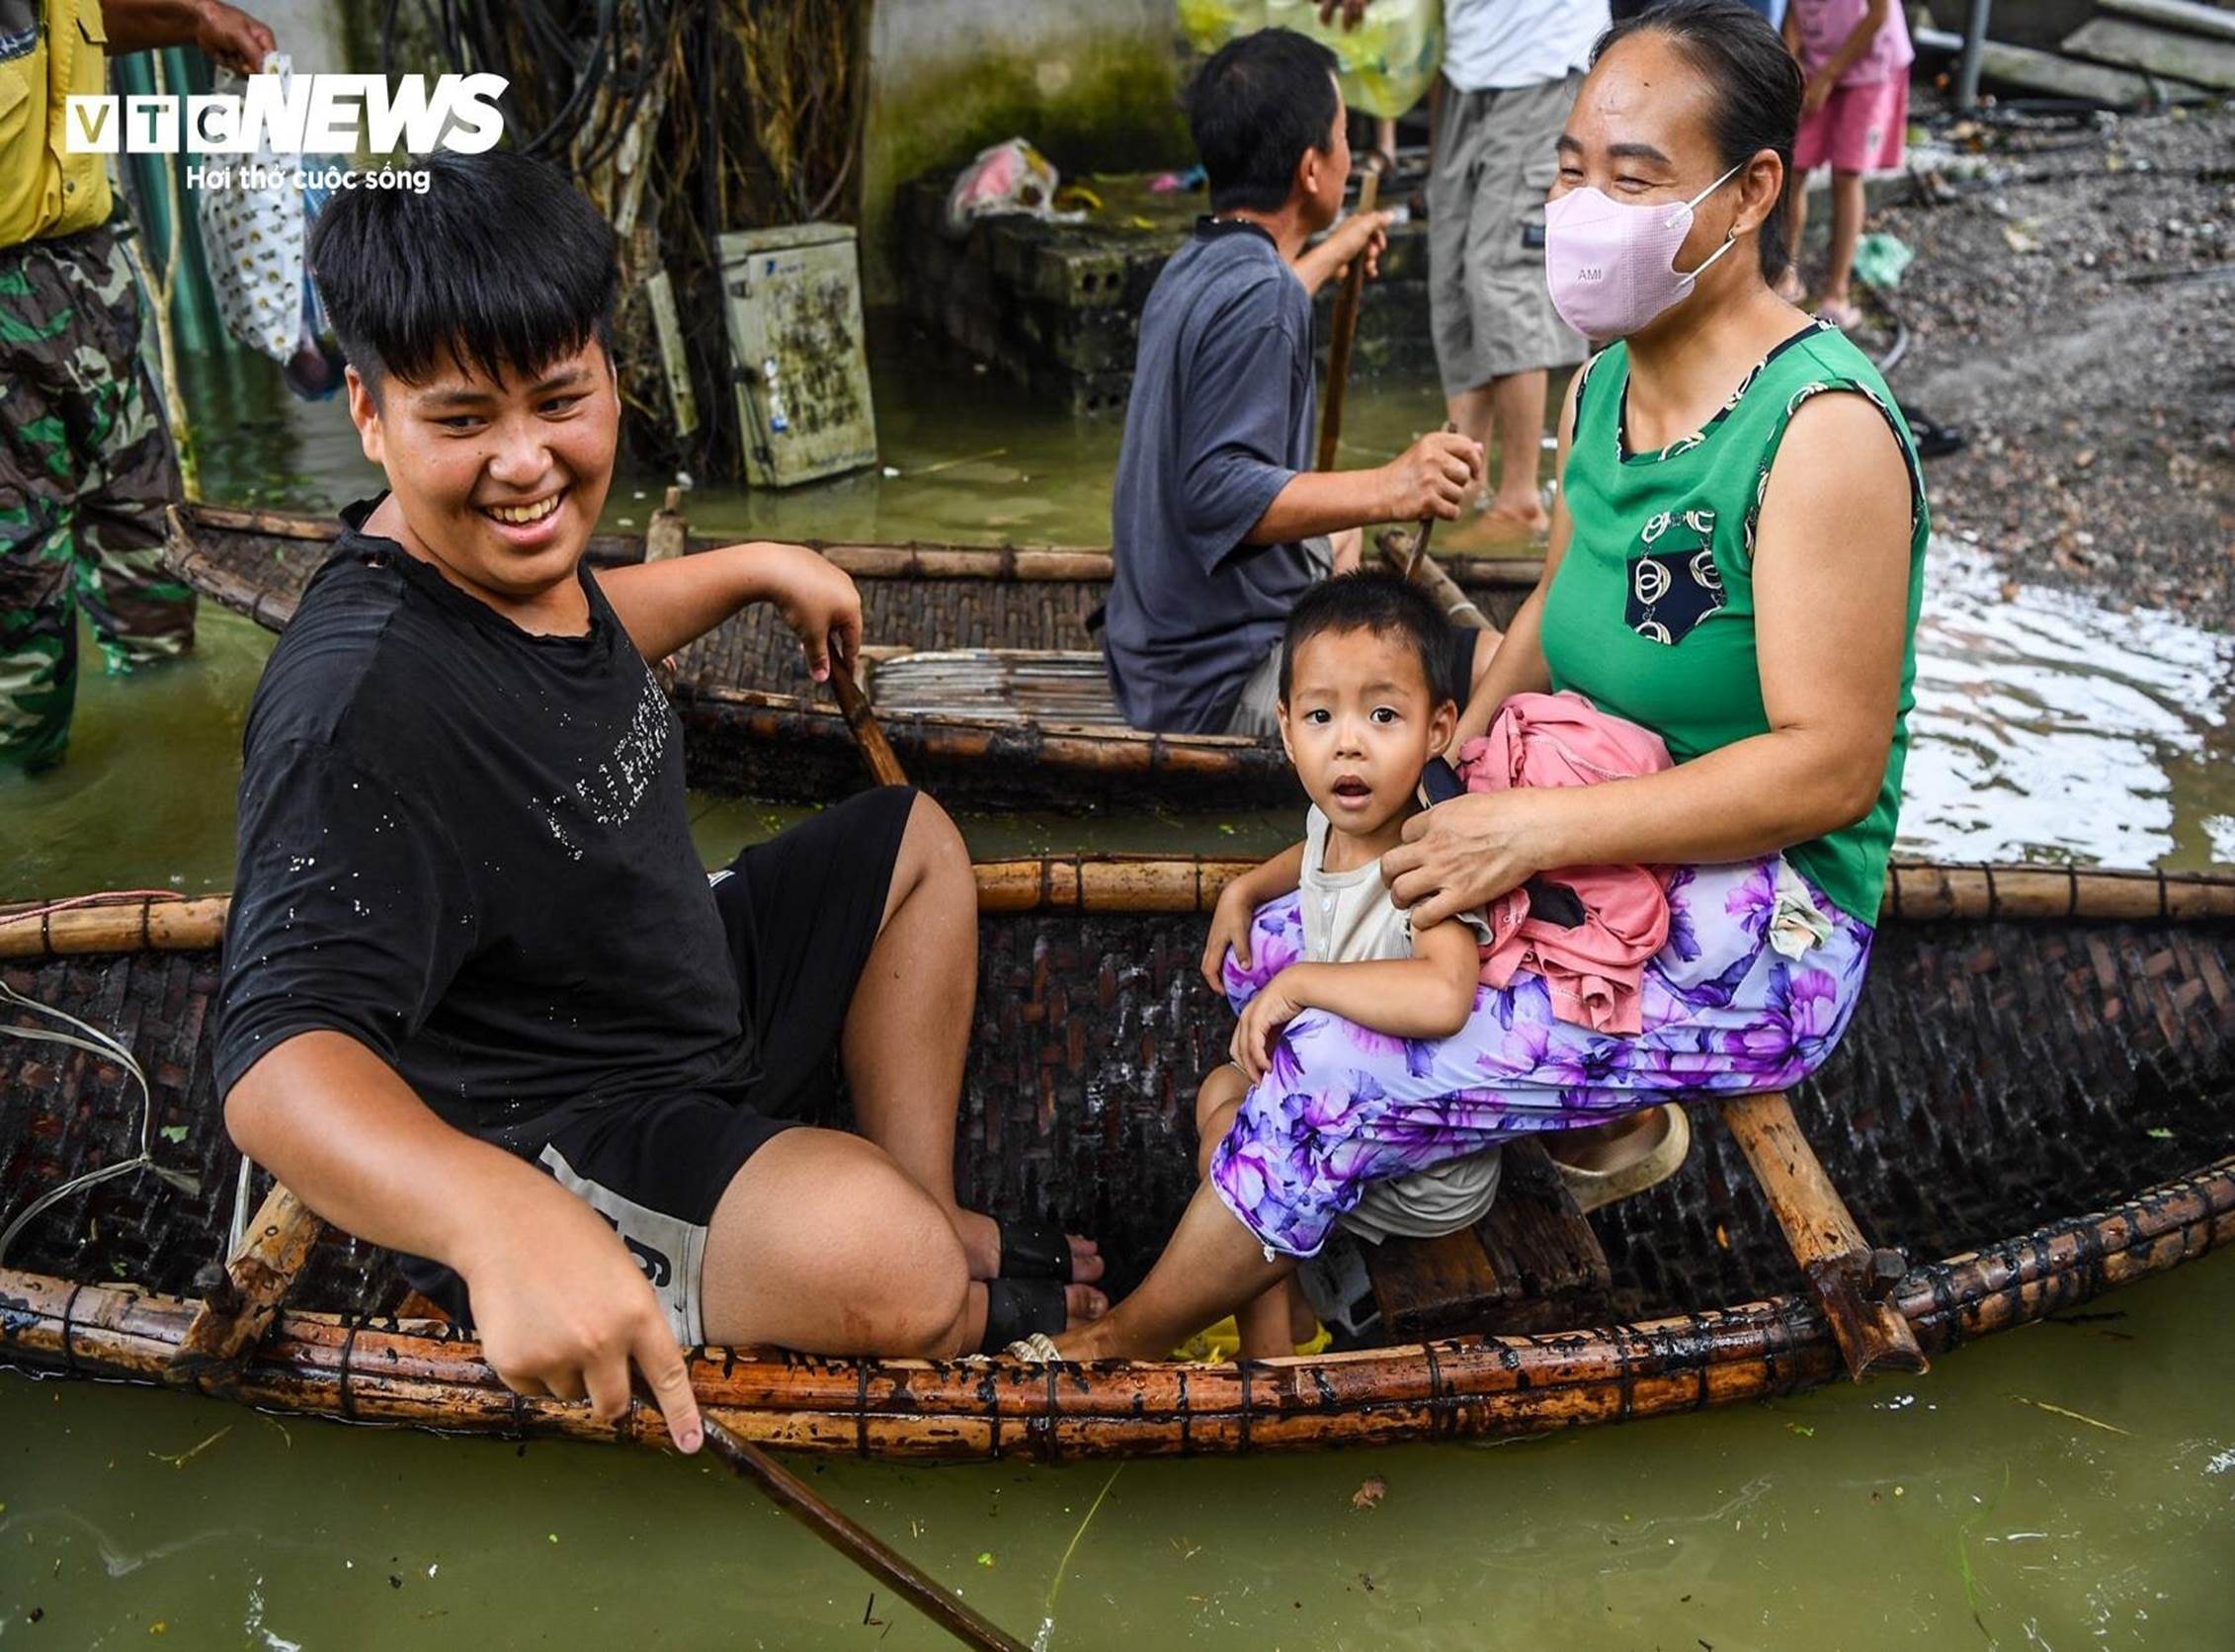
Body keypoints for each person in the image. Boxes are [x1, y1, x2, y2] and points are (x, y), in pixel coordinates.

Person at [1035, 0, 1928, 1364]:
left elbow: (1831, 768)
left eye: (1633, 177)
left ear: (1750, 193)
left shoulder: (1822, 433)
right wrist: (1414, 810)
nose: (1583, 206)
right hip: (1598, 833)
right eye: (1572, 167)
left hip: (1766, 919)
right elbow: (1542, 634)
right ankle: (1536, 1151)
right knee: (1279, 950)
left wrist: (1529, 832)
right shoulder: (1603, 384)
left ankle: (1120, 1349)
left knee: (1332, 1063)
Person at [213, 152, 1105, 1454]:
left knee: (912, 840)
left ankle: (927, 1215)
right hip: (563, 1119)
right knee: (893, 1270)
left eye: (560, 400)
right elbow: (275, 1058)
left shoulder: (502, 568)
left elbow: (570, 636)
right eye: (462, 421)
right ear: (369, 412)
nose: (526, 465)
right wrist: (493, 1219)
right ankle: (937, 1291)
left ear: (608, 373)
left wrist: (751, 566)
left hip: (667, 978)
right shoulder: (352, 703)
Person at [1102, 26, 1488, 738]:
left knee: (1342, 538)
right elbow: (1217, 493)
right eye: (1342, 137)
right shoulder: (1264, 293)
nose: (1348, 152)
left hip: (1149, 660)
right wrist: (1395, 485)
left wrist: (1334, 250)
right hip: (1219, 682)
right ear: (1312, 169)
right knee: (1485, 672)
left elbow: (1263, 306)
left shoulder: (1197, 263)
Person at [1175, 570, 1495, 1361]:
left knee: (1236, 1143)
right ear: (1286, 729)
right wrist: (1246, 888)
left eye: (1383, 715)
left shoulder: (1432, 858)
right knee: (1221, 1093)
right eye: (1321, 716)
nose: (1348, 742)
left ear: (1438, 728)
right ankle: (1288, 1314)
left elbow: (1446, 993)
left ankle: (1270, 1355)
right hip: (1352, 1117)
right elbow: (1312, 851)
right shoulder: (1338, 818)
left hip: (1420, 1161)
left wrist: (1300, 983)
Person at [0, 0, 275, 769]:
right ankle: (35, 803)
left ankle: (174, 756)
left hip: (92, 270)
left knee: (150, 548)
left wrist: (193, 20)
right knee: (18, 608)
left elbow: (78, 21)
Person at [1429, 0, 1609, 542]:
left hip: (1540, 58)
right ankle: (1466, 479)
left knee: (1502, 273)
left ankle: (1520, 500)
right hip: (1469, 63)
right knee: (1452, 270)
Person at [1779, 0, 1913, 327]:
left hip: (1870, 65)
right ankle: (1784, 274)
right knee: (1793, 168)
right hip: (1816, 63)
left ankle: (1836, 294)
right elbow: (1794, 11)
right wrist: (1793, 65)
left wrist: (1829, 75)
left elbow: (1878, 15)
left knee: (1846, 174)